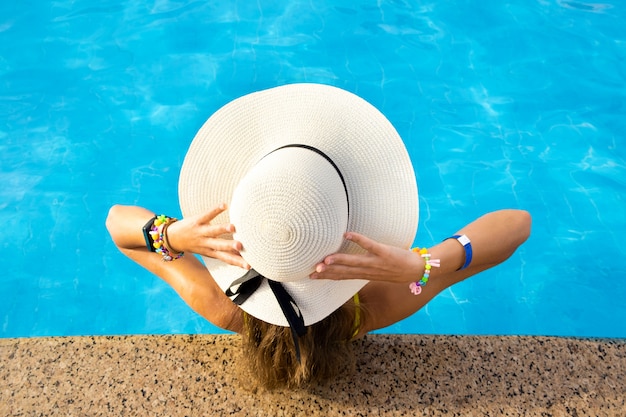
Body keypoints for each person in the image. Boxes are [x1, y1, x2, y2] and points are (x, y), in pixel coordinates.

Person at [106, 84, 531, 390]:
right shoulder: (372, 307)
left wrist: (172, 235)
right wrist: (423, 264)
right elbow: (516, 225)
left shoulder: (225, 305)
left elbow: (116, 224)